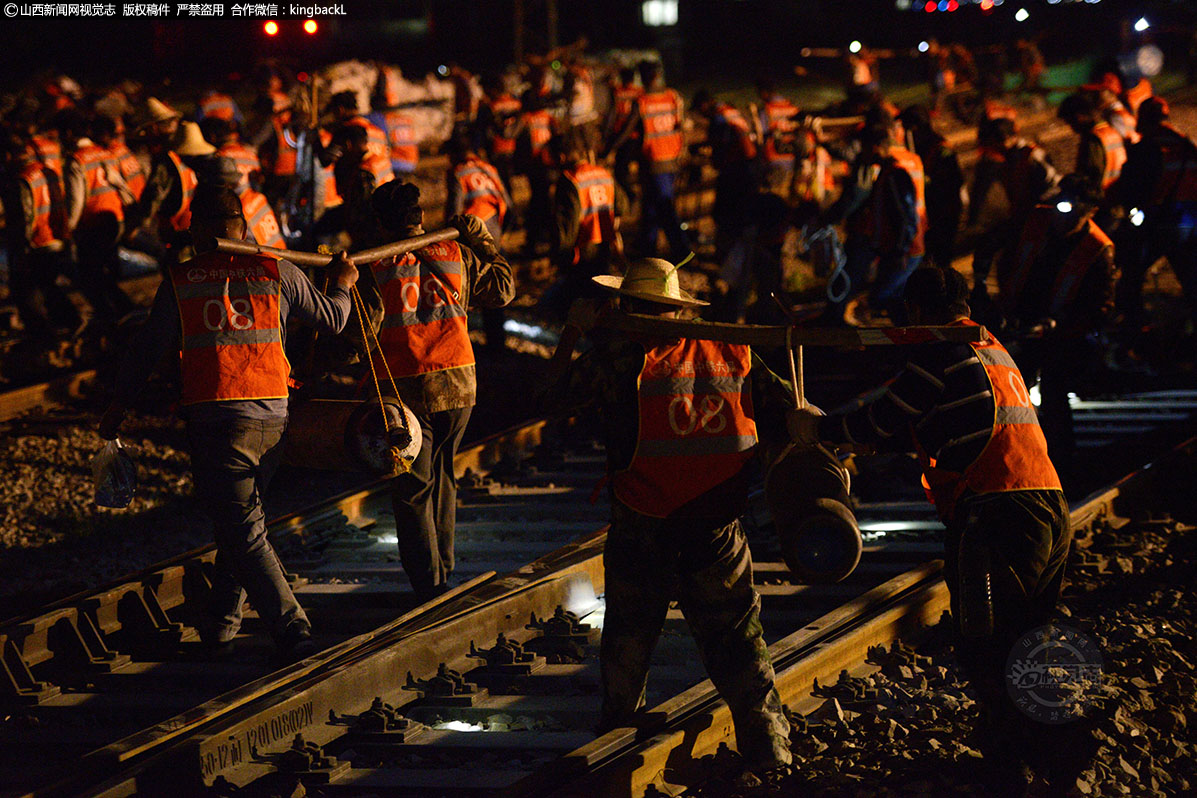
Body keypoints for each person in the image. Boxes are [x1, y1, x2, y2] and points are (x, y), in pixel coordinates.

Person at [788, 266, 1070, 791]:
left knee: (983, 637)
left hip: (996, 512)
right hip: (1048, 505)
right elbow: (928, 423)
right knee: (1027, 634)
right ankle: (1047, 748)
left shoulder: (940, 352)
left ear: (917, 313)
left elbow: (884, 419)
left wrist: (819, 429)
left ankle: (1013, 761)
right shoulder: (990, 350)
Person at [540, 258, 793, 778]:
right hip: (716, 525)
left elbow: (552, 395)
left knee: (629, 643)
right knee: (741, 642)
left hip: (643, 524)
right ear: (678, 308)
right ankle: (771, 751)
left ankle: (614, 750)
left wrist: (574, 329)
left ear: (628, 307)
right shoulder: (733, 350)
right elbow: (788, 408)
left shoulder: (618, 361)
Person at [98, 185, 359, 661]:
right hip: (275, 418)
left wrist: (118, 407)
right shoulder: (276, 268)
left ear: (198, 231)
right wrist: (342, 279)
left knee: (243, 528)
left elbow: (144, 353)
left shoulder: (182, 281)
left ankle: (292, 628)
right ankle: (221, 623)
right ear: (243, 227)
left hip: (219, 419)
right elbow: (335, 319)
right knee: (239, 522)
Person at [359, 182, 515, 600]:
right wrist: (481, 238)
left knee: (412, 490)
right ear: (420, 217)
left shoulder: (376, 266)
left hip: (409, 392)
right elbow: (502, 289)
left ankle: (429, 587)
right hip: (460, 386)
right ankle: (441, 574)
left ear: (380, 223)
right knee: (443, 479)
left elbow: (361, 332)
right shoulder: (457, 253)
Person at [998, 176, 1118, 468]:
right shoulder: (1036, 219)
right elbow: (1003, 247)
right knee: (1007, 390)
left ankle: (1059, 460)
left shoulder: (1098, 249)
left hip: (1061, 334)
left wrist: (1060, 325)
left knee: (1054, 389)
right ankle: (1009, 452)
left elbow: (1100, 305)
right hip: (1020, 320)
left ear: (1089, 211)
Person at [818, 111, 926, 325]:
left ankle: (907, 337)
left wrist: (901, 249)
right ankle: (909, 338)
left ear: (875, 146)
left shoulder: (893, 173)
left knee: (879, 295)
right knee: (893, 295)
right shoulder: (911, 159)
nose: (862, 154)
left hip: (896, 244)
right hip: (900, 243)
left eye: (865, 149)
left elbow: (903, 215)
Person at [1113, 97, 1197, 330]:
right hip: (1190, 221)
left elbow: (1133, 188)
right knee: (1190, 278)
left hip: (1161, 222)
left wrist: (1132, 213)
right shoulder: (1186, 144)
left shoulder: (1145, 149)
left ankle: (1134, 326)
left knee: (1132, 271)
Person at [967, 117, 1059, 300]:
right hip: (1022, 219)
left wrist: (1037, 208)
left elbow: (1054, 187)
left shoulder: (1032, 156)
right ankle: (986, 293)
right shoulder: (1007, 160)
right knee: (991, 249)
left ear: (1003, 139)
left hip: (1040, 222)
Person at [607, 60, 690, 260]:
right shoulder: (673, 97)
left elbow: (627, 130)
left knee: (664, 207)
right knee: (651, 206)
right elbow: (681, 127)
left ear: (643, 77)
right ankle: (647, 247)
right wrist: (682, 151)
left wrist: (609, 149)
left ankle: (682, 249)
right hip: (672, 160)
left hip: (654, 162)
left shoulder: (642, 102)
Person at [64, 112, 137, 329]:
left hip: (92, 225)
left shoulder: (75, 160)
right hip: (114, 219)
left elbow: (76, 200)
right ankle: (125, 313)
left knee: (90, 278)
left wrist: (69, 228)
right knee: (106, 272)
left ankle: (113, 318)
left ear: (68, 134)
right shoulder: (104, 153)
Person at [542, 133, 626, 319]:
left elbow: (567, 227)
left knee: (580, 301)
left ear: (562, 156)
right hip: (604, 246)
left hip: (582, 251)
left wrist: (560, 255)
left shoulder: (569, 180)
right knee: (601, 294)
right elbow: (622, 205)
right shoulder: (604, 173)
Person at [125, 103, 201, 264]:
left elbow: (154, 195)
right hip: (196, 227)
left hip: (177, 233)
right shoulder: (186, 149)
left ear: (153, 129)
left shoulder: (164, 159)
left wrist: (135, 227)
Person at [900, 105, 964, 271]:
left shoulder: (941, 150)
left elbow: (951, 183)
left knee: (939, 263)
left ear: (914, 128)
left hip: (942, 215)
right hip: (928, 216)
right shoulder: (920, 148)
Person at [1058, 92, 1127, 196]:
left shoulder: (1093, 139)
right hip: (1116, 192)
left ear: (1079, 117)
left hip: (1100, 198)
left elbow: (1092, 173)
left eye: (1070, 122)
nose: (1071, 128)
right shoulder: (1109, 131)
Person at [602, 66, 643, 207]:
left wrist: (607, 137)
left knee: (620, 172)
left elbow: (612, 115)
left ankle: (630, 198)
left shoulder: (618, 92)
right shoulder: (639, 93)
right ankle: (629, 198)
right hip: (633, 137)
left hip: (622, 136)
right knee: (622, 171)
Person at [755, 79, 799, 197]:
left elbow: (760, 136)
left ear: (764, 92)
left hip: (773, 161)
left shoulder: (766, 109)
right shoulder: (791, 107)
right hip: (791, 159)